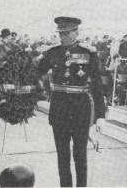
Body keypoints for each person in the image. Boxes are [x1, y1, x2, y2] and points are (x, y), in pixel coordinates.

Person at [37, 16, 105, 187]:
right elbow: (35, 72)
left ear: (76, 32)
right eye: (60, 33)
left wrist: (100, 115)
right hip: (59, 109)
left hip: (80, 109)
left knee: (80, 155)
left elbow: (97, 85)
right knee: (62, 156)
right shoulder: (52, 52)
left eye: (66, 33)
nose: (62, 37)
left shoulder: (88, 53)